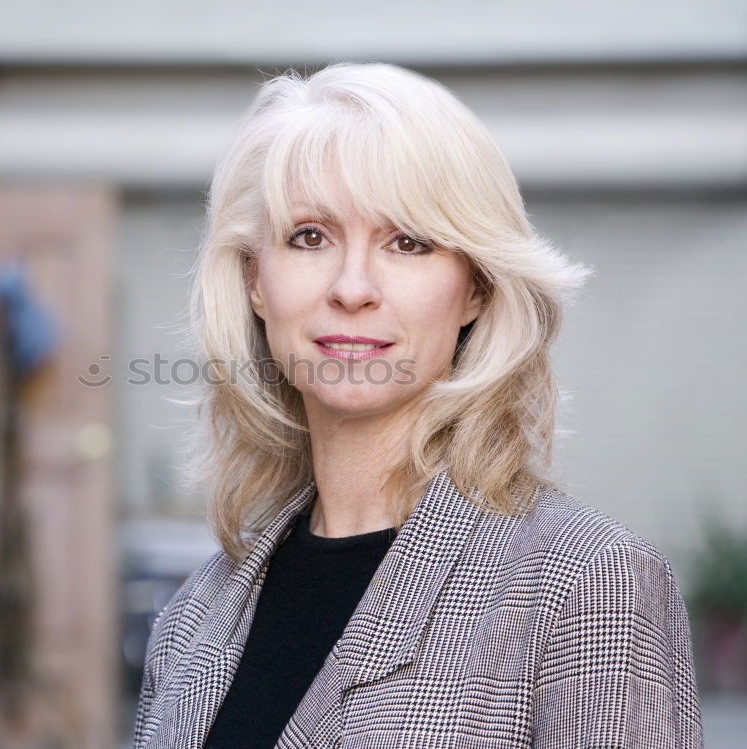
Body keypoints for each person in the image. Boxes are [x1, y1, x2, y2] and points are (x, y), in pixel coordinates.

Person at [132, 62, 703, 749]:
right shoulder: (192, 619)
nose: (352, 287)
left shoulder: (587, 587)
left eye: (408, 241)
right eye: (309, 236)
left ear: (476, 290)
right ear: (256, 280)